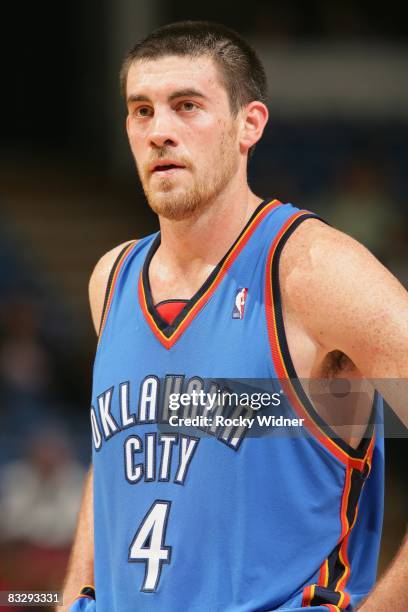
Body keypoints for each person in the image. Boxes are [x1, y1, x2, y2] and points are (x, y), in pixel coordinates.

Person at [62, 21, 408, 612]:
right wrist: (73, 598)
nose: (159, 131)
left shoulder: (313, 270)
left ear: (250, 125)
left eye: (187, 106)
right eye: (141, 111)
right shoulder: (111, 278)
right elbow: (118, 456)